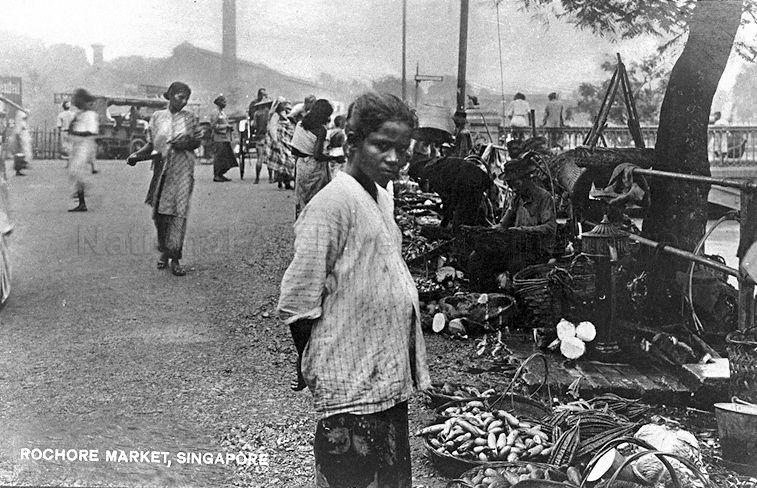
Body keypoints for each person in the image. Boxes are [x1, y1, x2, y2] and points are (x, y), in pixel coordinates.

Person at [278, 91, 430, 487]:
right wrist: (313, 361)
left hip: (385, 378)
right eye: (382, 146)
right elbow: (298, 298)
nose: (394, 159)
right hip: (350, 382)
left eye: (402, 149)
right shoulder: (330, 205)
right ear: (352, 143)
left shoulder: (381, 196)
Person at [126, 81, 202, 277]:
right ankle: (165, 251)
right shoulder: (157, 117)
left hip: (183, 169)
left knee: (178, 213)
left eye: (186, 98)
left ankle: (175, 257)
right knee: (159, 214)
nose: (183, 101)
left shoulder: (191, 118)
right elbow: (152, 144)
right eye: (180, 96)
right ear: (170, 95)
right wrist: (136, 156)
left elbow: (198, 141)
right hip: (161, 169)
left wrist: (186, 142)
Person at [467, 158, 556, 290]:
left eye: (516, 182)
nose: (513, 188)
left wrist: (522, 230)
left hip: (537, 250)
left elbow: (550, 228)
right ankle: (485, 298)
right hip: (517, 246)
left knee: (516, 264)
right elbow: (503, 224)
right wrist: (487, 232)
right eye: (509, 183)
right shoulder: (517, 198)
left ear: (527, 179)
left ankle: (514, 301)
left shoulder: (544, 198)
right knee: (477, 257)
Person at [290, 99, 336, 217]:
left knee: (302, 196)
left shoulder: (300, 125)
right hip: (315, 168)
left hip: (301, 165)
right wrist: (332, 158)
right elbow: (317, 155)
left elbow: (294, 149)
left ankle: (300, 223)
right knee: (317, 198)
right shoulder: (321, 130)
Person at [67, 89, 99, 212]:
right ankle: (81, 197)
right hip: (77, 145)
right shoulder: (80, 114)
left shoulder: (91, 115)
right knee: (74, 172)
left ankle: (82, 198)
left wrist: (75, 132)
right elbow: (71, 127)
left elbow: (90, 132)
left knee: (77, 171)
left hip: (84, 145)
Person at [266, 97, 295, 190]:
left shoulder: (285, 114)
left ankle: (286, 182)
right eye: (282, 104)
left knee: (287, 161)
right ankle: (282, 182)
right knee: (282, 161)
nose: (284, 105)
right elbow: (272, 128)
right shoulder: (275, 115)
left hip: (286, 140)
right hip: (280, 140)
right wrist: (275, 141)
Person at [210, 95, 238, 182]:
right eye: (224, 102)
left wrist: (229, 127)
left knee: (225, 157)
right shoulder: (215, 112)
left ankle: (221, 174)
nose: (225, 104)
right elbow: (213, 125)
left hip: (225, 138)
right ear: (219, 103)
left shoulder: (222, 112)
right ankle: (216, 175)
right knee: (219, 157)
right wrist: (226, 126)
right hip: (219, 138)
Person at [249, 89, 273, 184]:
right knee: (269, 158)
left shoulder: (256, 113)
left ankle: (257, 179)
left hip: (259, 136)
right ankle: (271, 178)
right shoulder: (270, 113)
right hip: (268, 137)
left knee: (259, 158)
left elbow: (254, 125)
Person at [12, 110, 32, 176]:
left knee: (24, 154)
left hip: (25, 141)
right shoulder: (20, 123)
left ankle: (22, 167)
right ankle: (18, 170)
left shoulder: (24, 123)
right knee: (19, 155)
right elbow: (18, 133)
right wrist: (19, 142)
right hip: (22, 141)